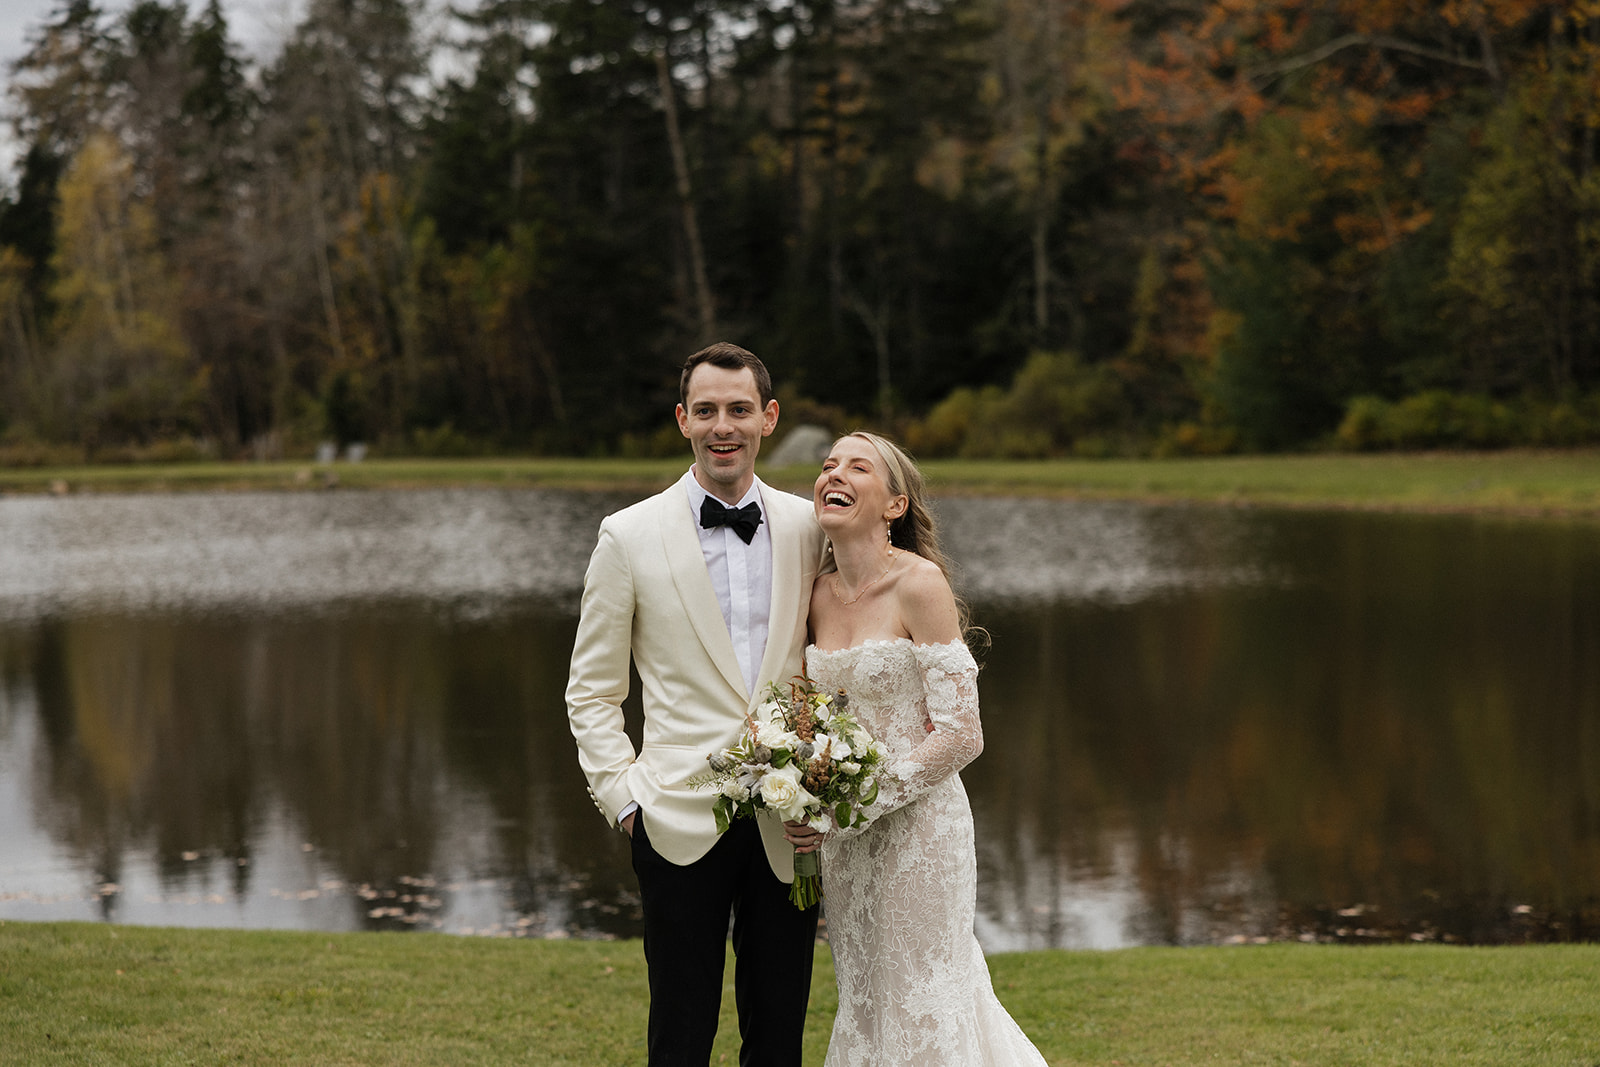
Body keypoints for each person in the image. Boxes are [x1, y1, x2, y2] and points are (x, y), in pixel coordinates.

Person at [565, 342, 828, 1067]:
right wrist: (624, 798)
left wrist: (827, 784)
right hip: (676, 814)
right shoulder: (628, 534)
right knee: (679, 1033)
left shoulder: (811, 526)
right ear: (682, 419)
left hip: (788, 825)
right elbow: (591, 689)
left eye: (739, 409)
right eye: (706, 410)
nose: (724, 426)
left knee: (778, 1035)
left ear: (767, 418)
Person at [789, 431, 1049, 1066]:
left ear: (895, 506)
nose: (834, 474)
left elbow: (964, 733)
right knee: (866, 999)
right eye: (827, 466)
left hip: (921, 831)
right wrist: (799, 786)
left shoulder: (920, 584)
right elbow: (806, 715)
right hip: (846, 846)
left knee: (923, 997)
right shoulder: (815, 594)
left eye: (857, 467)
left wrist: (857, 803)